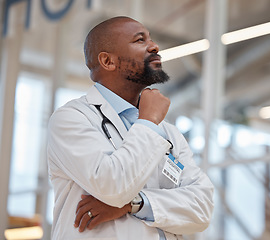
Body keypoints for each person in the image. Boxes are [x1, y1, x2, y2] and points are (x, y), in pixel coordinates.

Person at [47, 16, 214, 240]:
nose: (154, 46)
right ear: (107, 61)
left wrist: (136, 204)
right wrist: (148, 120)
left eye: (151, 39)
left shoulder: (168, 133)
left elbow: (202, 208)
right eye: (139, 40)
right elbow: (112, 187)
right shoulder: (72, 119)